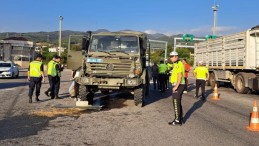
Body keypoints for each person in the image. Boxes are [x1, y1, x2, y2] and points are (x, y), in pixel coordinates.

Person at [168, 51, 185, 126]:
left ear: (176, 56)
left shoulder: (178, 64)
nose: (170, 58)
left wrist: (176, 87)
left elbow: (179, 76)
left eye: (172, 56)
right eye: (170, 56)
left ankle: (177, 120)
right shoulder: (176, 64)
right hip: (179, 84)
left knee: (175, 102)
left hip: (178, 85)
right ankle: (180, 118)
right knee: (177, 102)